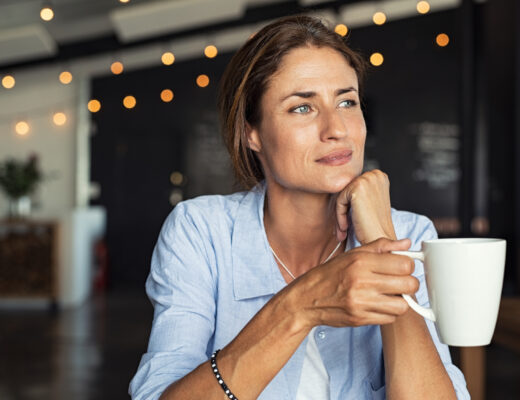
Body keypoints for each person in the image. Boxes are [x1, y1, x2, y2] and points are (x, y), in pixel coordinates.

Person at [130, 15, 469, 400]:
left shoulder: (411, 235)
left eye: (347, 101)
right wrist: (301, 306)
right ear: (250, 132)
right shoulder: (200, 231)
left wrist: (380, 236)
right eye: (302, 108)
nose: (336, 128)